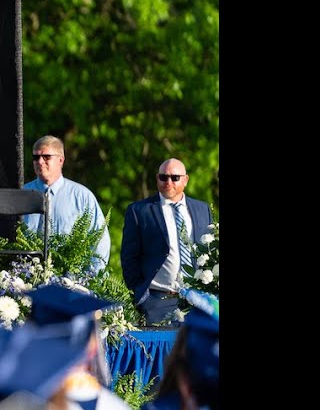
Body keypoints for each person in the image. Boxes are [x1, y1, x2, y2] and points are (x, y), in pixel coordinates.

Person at [120, 158, 214, 325]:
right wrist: (142, 298)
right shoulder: (140, 210)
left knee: (198, 349)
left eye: (175, 177)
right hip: (158, 301)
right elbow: (129, 258)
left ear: (185, 179)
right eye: (163, 177)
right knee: (164, 351)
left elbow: (210, 251)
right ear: (157, 178)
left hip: (199, 300)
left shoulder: (202, 209)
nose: (168, 182)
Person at [21, 135, 111, 274]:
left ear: (60, 160)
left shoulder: (81, 197)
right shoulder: (21, 195)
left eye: (46, 157)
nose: (39, 161)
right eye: (36, 157)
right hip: (25, 279)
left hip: (72, 283)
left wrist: (90, 280)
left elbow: (99, 241)